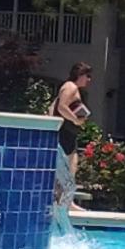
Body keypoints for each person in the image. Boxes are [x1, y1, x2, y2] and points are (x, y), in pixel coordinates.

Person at [49, 62, 93, 196]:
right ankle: (64, 199)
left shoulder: (69, 87)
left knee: (69, 165)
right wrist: (75, 119)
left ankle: (66, 198)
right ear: (80, 75)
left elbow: (52, 107)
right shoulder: (71, 87)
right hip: (65, 131)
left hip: (67, 132)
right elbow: (62, 107)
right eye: (87, 76)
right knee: (67, 166)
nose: (89, 80)